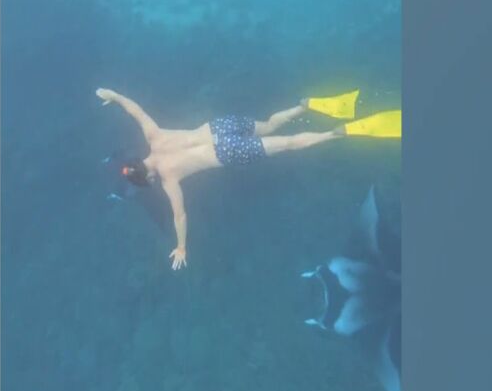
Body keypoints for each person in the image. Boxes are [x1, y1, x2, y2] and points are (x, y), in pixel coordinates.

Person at [96, 87, 400, 270]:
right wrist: (114, 96)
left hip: (227, 151)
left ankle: (337, 133)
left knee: (289, 144)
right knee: (268, 125)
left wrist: (182, 246)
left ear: (147, 176)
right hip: (218, 127)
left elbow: (180, 215)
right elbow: (135, 110)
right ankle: (304, 105)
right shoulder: (154, 135)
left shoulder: (167, 178)